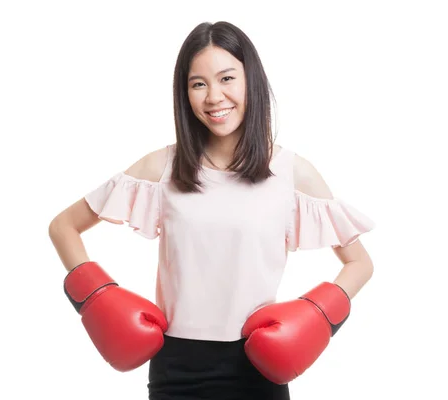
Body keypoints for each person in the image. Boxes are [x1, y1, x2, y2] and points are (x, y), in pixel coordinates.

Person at [49, 20, 376, 400]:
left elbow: (360, 263)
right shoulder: (162, 168)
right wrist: (99, 297)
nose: (214, 97)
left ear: (250, 80)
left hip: (259, 368)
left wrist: (315, 314)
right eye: (198, 84)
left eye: (227, 78)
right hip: (176, 370)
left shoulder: (291, 173)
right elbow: (63, 227)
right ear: (184, 93)